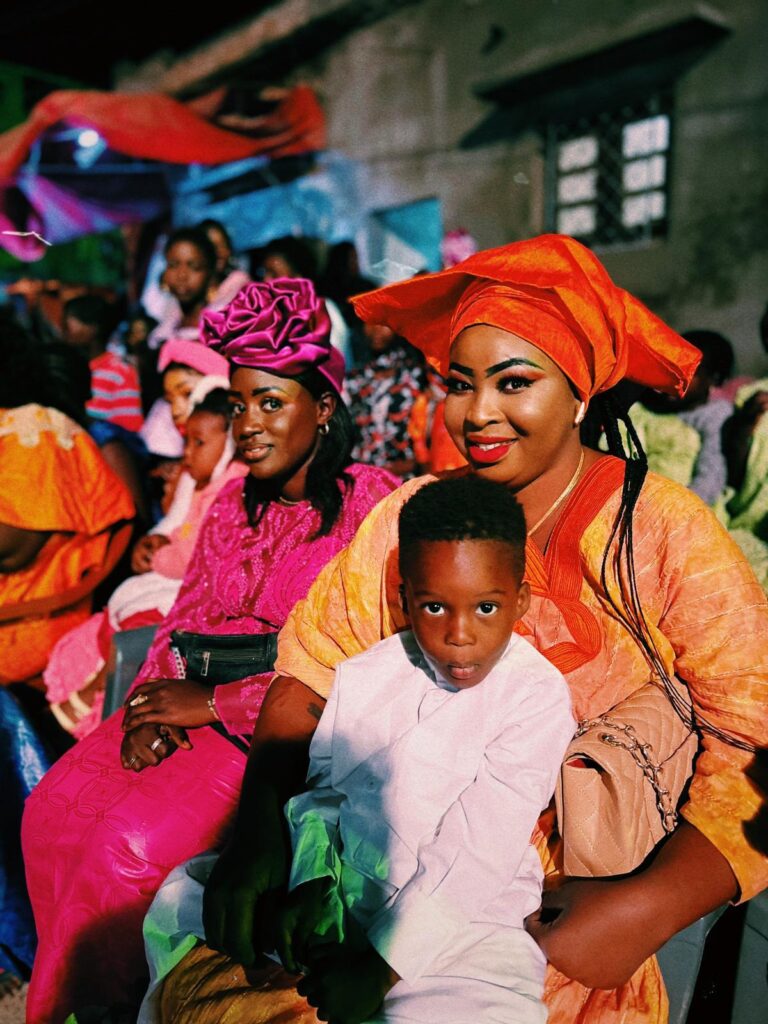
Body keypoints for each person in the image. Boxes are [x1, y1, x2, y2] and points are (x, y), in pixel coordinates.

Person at [180, 235, 768, 1024]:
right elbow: (312, 671)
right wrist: (261, 831)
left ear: (581, 393)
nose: (478, 413)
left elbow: (756, 737)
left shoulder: (662, 533)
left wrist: (648, 906)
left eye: (513, 382)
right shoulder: (413, 517)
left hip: (538, 921)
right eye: (460, 385)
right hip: (362, 867)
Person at [21, 278, 400, 1024]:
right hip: (180, 702)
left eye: (271, 402)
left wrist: (216, 702)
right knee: (49, 815)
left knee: (125, 850)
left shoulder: (373, 504)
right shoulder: (231, 501)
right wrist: (147, 710)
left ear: (323, 407)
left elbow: (362, 660)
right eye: (239, 404)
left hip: (275, 730)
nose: (248, 425)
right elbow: (183, 618)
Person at [139, 476, 574, 1024]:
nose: (460, 634)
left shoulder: (534, 695)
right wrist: (313, 882)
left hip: (463, 930)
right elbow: (323, 796)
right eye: (436, 608)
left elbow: (478, 850)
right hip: (348, 903)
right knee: (197, 922)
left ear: (521, 601)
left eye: (486, 608)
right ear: (405, 599)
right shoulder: (370, 674)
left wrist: (380, 965)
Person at [42, 387, 246, 740]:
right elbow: (177, 528)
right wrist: (154, 544)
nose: (187, 454)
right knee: (118, 609)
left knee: (140, 624)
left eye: (199, 444)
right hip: (172, 576)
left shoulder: (232, 487)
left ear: (229, 446)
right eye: (187, 443)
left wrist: (161, 555)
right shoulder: (199, 482)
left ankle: (102, 697)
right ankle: (93, 681)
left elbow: (199, 553)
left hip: (201, 589)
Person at [346, 323, 428, 478]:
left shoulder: (417, 376)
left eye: (384, 324)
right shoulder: (354, 380)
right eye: (370, 323)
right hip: (364, 479)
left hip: (406, 477)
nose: (377, 329)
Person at [62, 294, 144, 433]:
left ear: (92, 328)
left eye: (67, 324)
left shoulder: (120, 372)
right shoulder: (66, 366)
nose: (64, 331)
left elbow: (129, 428)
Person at [199, 218, 251, 310]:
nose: (219, 252)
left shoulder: (238, 283)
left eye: (223, 246)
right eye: (213, 247)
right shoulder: (190, 291)